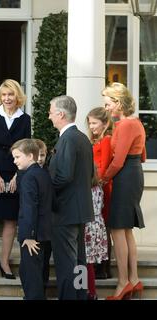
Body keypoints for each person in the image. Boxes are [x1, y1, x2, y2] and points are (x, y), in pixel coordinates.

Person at [0, 79, 31, 280]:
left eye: (10, 94)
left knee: (11, 220)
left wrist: (16, 176)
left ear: (17, 96)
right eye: (4, 95)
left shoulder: (25, 119)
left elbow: (27, 150)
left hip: (15, 172)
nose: (7, 98)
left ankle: (4, 261)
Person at [102, 82, 146, 300]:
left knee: (118, 230)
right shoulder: (135, 122)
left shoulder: (125, 125)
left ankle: (122, 283)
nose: (106, 108)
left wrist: (103, 178)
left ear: (118, 103)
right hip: (133, 173)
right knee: (126, 230)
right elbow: (144, 156)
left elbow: (118, 161)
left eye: (108, 104)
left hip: (125, 175)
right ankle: (134, 279)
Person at [47, 95, 94, 300]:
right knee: (79, 261)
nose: (49, 116)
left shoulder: (67, 138)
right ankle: (80, 296)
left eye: (50, 112)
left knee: (67, 264)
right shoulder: (83, 137)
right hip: (79, 209)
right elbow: (90, 174)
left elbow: (64, 175)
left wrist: (46, 191)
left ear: (61, 114)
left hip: (65, 211)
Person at [11, 139, 53, 300]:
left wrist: (28, 236)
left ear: (30, 156)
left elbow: (29, 208)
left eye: (17, 157)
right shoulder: (43, 173)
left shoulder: (28, 177)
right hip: (45, 232)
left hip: (33, 236)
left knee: (30, 276)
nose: (15, 162)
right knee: (39, 274)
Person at [86, 107, 114, 279]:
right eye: (89, 123)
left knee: (103, 227)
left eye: (95, 123)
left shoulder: (106, 140)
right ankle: (96, 264)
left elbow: (104, 166)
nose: (92, 126)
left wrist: (97, 182)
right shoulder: (95, 140)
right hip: (94, 185)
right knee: (96, 227)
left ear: (105, 123)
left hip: (102, 187)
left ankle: (103, 267)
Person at [84, 166, 109, 300]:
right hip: (98, 225)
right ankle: (89, 291)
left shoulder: (84, 190)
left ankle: (89, 292)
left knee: (85, 262)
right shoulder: (99, 188)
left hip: (87, 226)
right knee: (89, 262)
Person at [33, 138, 52, 295]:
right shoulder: (26, 172)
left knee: (45, 259)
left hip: (47, 225)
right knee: (34, 262)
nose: (40, 159)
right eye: (38, 155)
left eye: (43, 155)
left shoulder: (49, 172)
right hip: (34, 225)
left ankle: (43, 289)